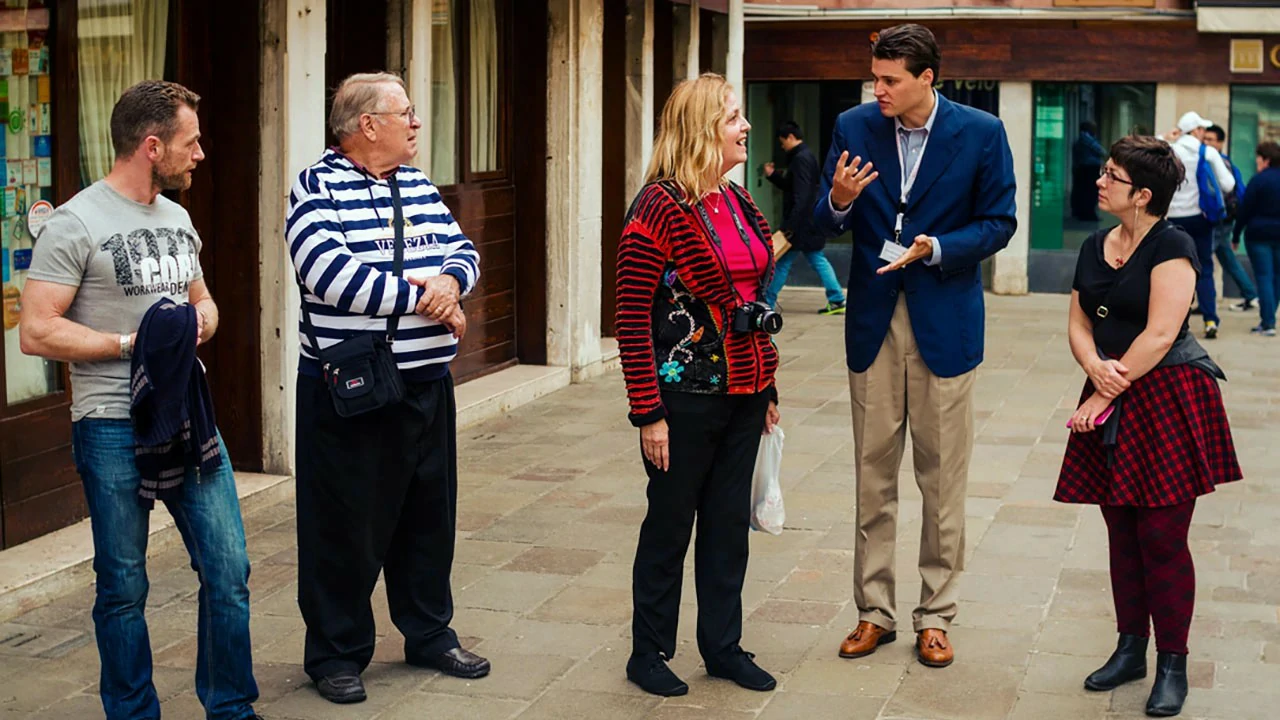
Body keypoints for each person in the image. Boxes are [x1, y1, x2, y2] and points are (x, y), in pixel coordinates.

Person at [19, 81, 263, 720]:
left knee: (229, 570)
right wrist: (134, 342)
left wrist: (200, 321)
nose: (201, 154)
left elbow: (202, 300)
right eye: (191, 142)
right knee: (123, 585)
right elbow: (36, 329)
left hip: (188, 414)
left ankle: (231, 708)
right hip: (110, 424)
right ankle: (133, 713)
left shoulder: (178, 218)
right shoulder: (76, 222)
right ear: (152, 146)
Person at [813, 23, 1016, 669]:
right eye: (875, 77)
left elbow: (1000, 221)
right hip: (874, 321)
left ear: (928, 78)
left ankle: (936, 615)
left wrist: (941, 247)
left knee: (941, 481)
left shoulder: (982, 132)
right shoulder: (854, 124)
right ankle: (874, 613)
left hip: (944, 322)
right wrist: (840, 203)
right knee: (873, 478)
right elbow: (819, 218)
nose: (879, 90)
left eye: (891, 80)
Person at [285, 72, 486, 704]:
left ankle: (429, 633)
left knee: (429, 517)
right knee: (344, 523)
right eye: (407, 113)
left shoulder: (421, 186)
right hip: (350, 389)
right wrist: (428, 300)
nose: (417, 124)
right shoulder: (314, 186)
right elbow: (331, 275)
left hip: (427, 382)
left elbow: (464, 252)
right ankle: (336, 654)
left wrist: (451, 284)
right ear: (368, 125)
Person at [1055, 136, 1241, 717]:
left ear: (1141, 194)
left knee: (1161, 536)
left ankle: (1172, 665)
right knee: (1121, 532)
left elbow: (1162, 333)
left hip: (1165, 396)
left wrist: (1105, 389)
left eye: (1110, 176)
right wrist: (1092, 369)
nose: (1098, 181)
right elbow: (1078, 319)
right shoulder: (1095, 243)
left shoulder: (1174, 245)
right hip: (1110, 388)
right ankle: (1130, 648)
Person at [616, 72, 782, 698]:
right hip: (681, 397)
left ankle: (723, 647)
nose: (745, 127)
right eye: (734, 117)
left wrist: (768, 389)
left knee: (725, 528)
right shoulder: (659, 207)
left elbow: (754, 295)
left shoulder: (738, 201)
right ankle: (649, 652)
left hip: (744, 391)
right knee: (668, 527)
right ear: (701, 129)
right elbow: (632, 317)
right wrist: (646, 414)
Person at [1161, 111, 1236, 339]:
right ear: (1196, 131)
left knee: (1174, 270)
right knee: (1204, 268)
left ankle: (1175, 323)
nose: (1204, 134)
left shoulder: (1169, 150)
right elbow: (1228, 183)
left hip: (1172, 219)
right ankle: (1210, 319)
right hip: (1200, 218)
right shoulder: (1208, 152)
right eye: (1202, 130)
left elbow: (1142, 153)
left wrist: (1165, 137)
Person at [763, 120, 846, 314]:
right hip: (807, 221)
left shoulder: (800, 159)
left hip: (802, 223)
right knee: (816, 258)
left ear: (791, 137)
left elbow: (801, 194)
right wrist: (773, 175)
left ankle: (767, 300)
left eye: (782, 142)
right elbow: (795, 189)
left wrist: (790, 226)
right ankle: (836, 299)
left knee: (783, 262)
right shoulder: (803, 156)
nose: (782, 146)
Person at [1203, 125, 1258, 313]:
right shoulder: (1217, 160)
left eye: (1211, 140)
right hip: (1224, 219)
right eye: (1205, 139)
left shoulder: (1217, 162)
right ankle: (1250, 294)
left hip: (1219, 219)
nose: (1206, 143)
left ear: (1220, 143)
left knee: (1201, 259)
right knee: (1227, 258)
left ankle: (1205, 302)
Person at [1233, 141, 1280, 336]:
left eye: (1258, 158)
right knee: (1277, 277)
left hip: (1258, 235)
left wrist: (1236, 234)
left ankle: (1268, 322)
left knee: (1264, 277)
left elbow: (1245, 210)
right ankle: (1270, 317)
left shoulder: (1258, 180)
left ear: (1266, 159)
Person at [1072, 121, 1105, 221]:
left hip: (1083, 167)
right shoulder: (1087, 139)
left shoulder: (1081, 140)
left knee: (1083, 192)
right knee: (1090, 192)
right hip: (1089, 168)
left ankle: (1082, 212)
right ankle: (1088, 214)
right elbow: (1101, 151)